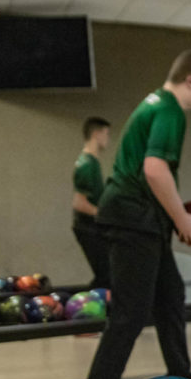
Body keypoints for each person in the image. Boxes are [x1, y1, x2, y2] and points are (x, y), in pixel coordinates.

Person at [74, 50, 191, 379]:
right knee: (131, 312)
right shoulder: (170, 108)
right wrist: (182, 219)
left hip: (138, 220)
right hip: (132, 220)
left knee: (171, 297)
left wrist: (174, 217)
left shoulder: (154, 103)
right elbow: (155, 171)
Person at [72, 116, 112, 289]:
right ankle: (86, 310)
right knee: (107, 276)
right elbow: (79, 204)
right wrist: (106, 215)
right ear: (97, 134)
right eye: (106, 134)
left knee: (108, 276)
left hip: (93, 227)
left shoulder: (92, 163)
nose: (108, 139)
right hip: (88, 228)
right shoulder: (86, 165)